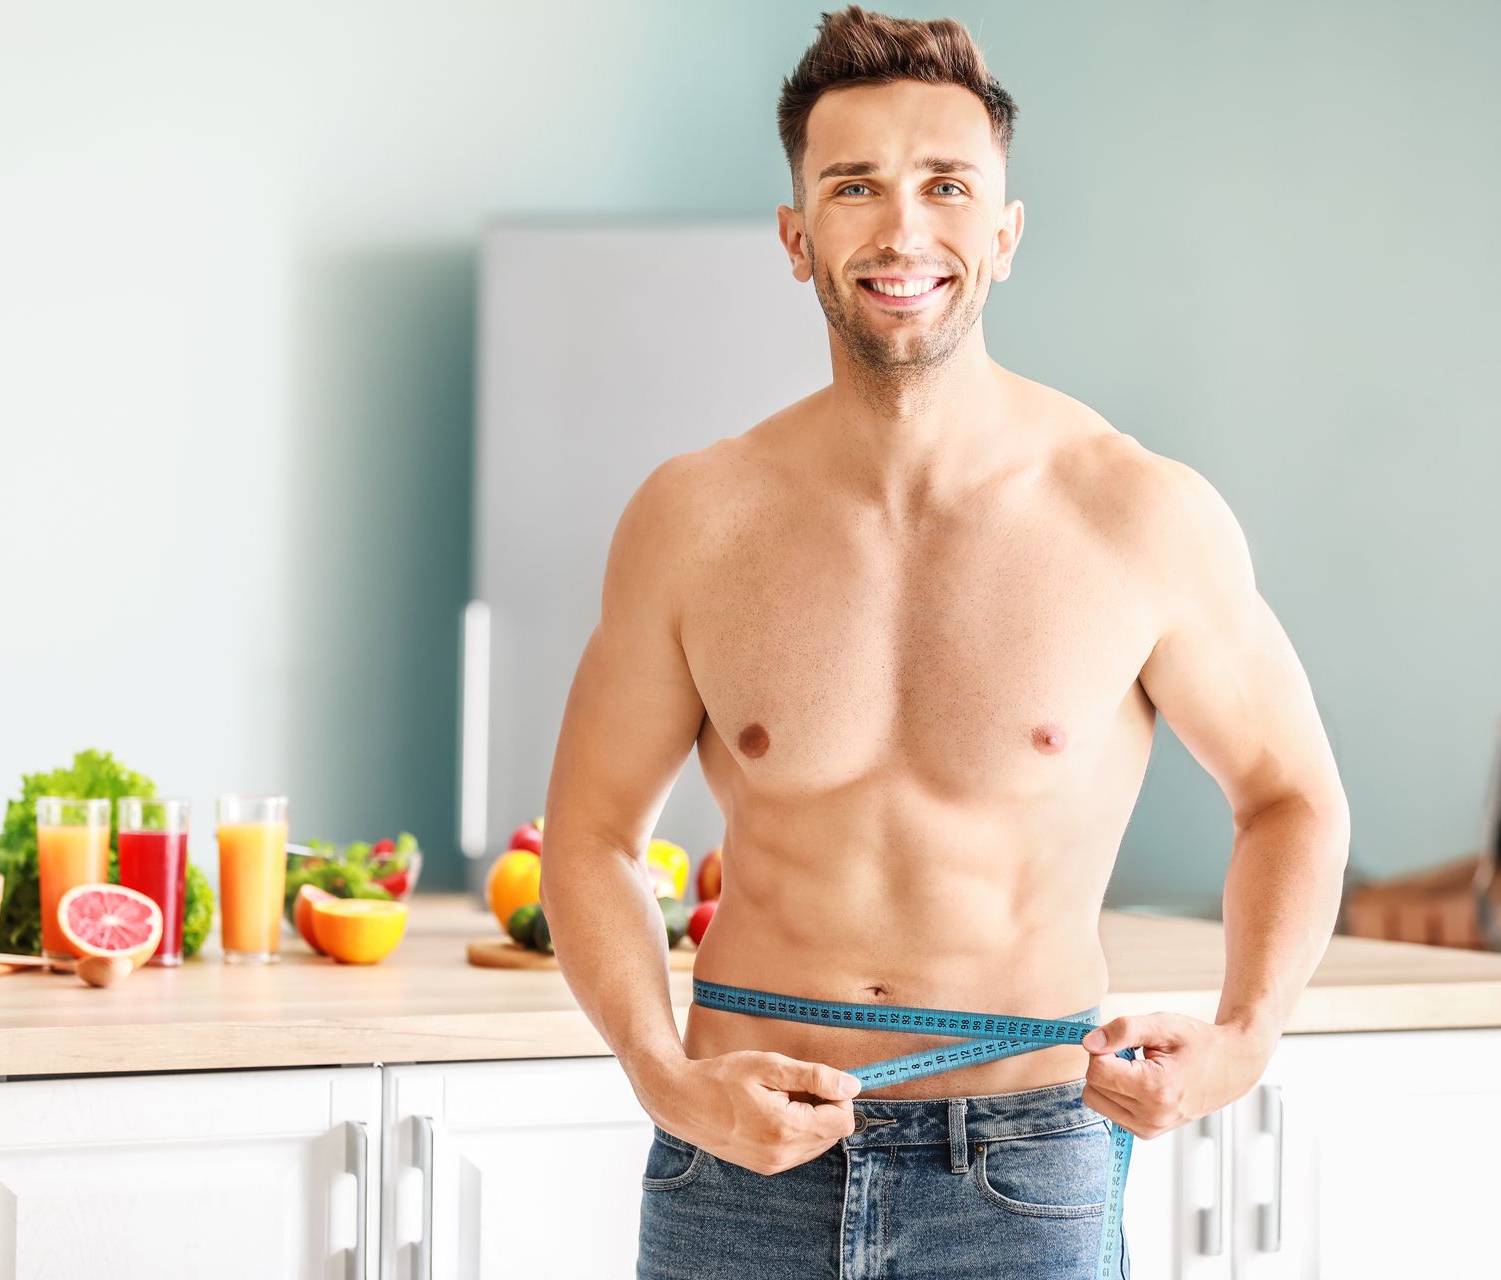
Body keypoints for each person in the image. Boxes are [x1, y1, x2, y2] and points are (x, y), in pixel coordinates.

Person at [538, 6, 1350, 1278]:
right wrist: (661, 1074)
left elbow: (1292, 793)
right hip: (739, 1161)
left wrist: (1247, 1033)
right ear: (798, 237)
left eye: (947, 186)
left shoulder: (1139, 514)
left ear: (1005, 234)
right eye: (854, 187)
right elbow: (588, 836)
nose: (902, 229)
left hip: (1024, 1169)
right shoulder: (693, 517)